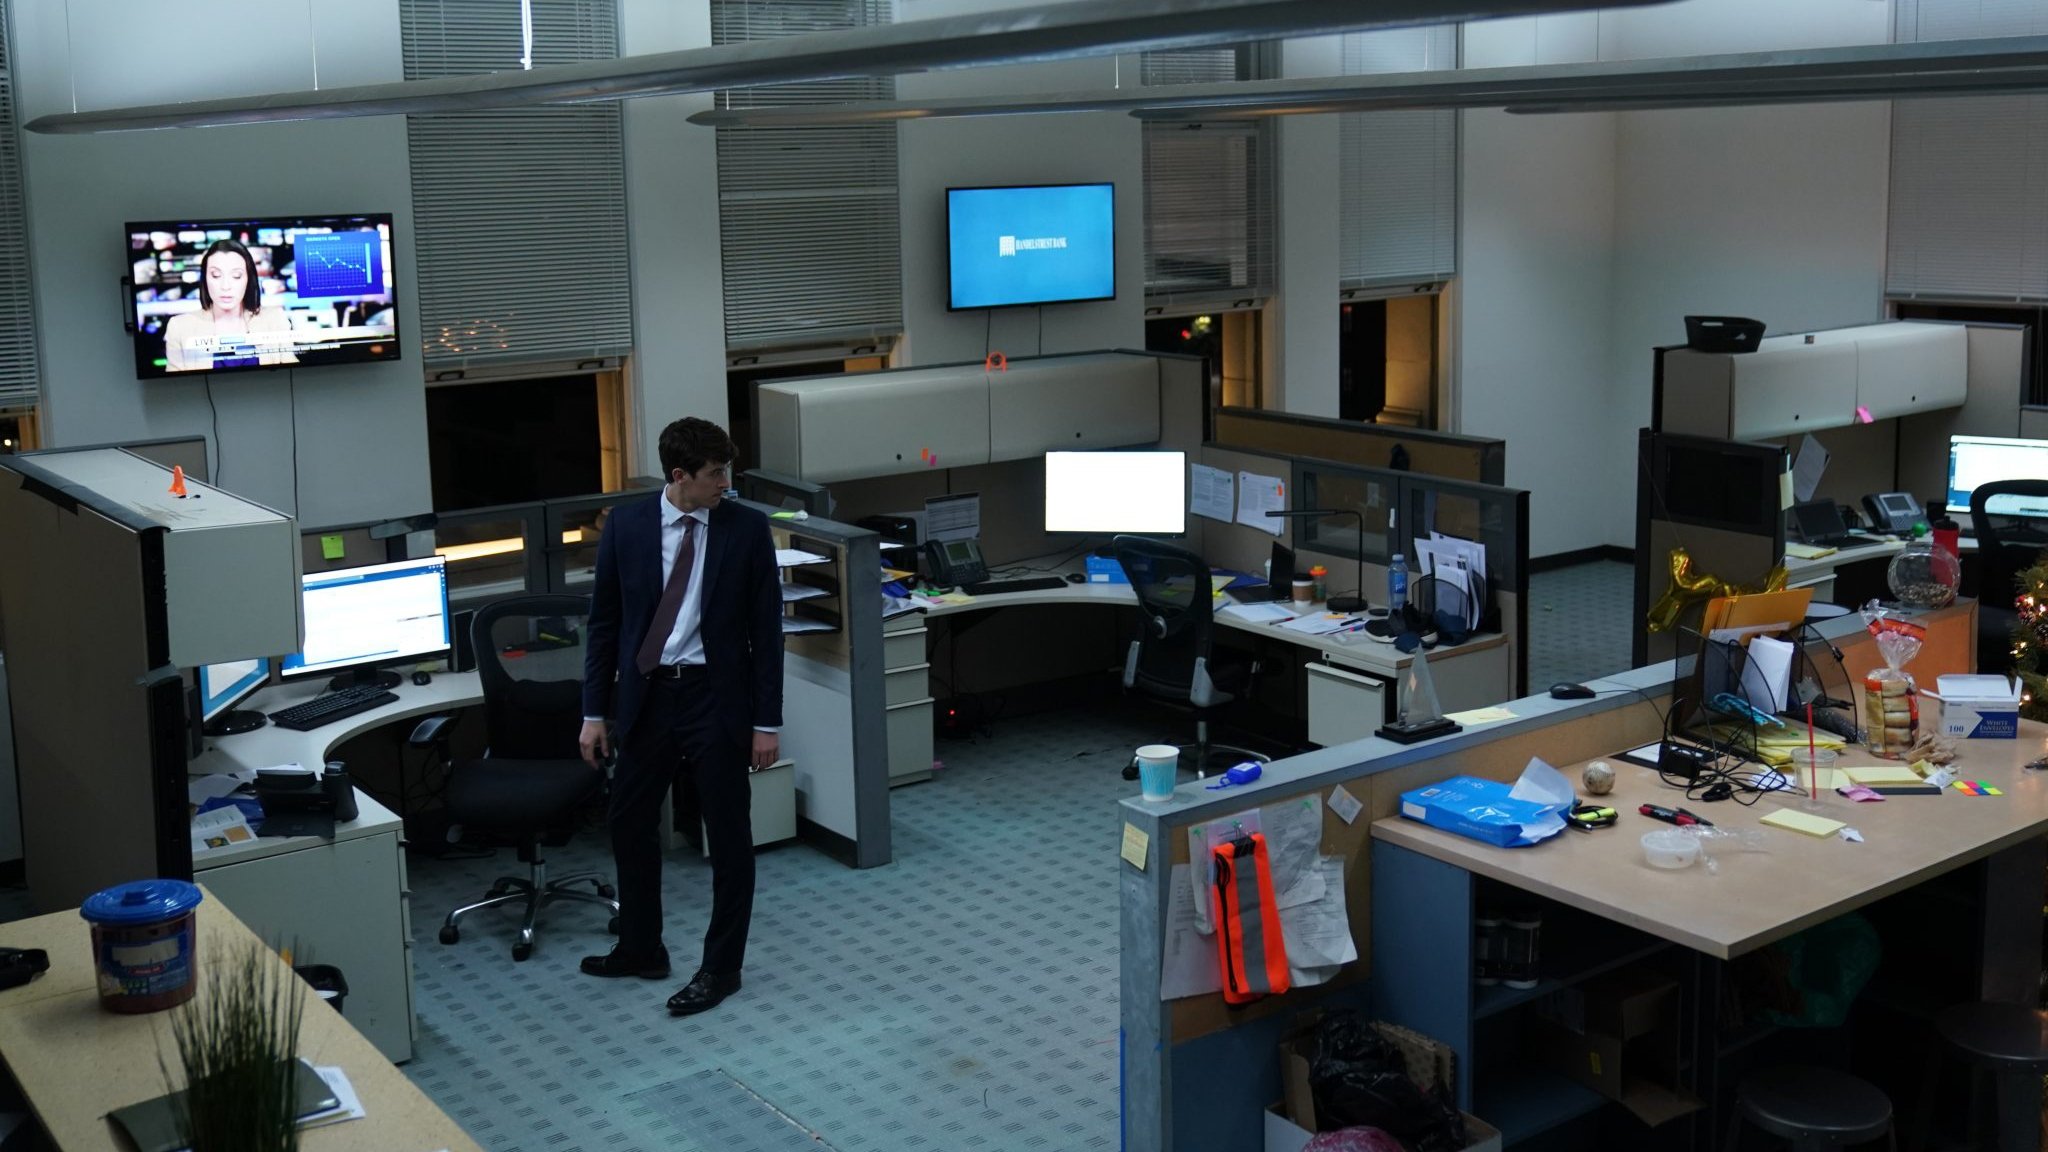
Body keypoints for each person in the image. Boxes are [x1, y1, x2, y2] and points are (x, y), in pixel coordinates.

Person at [579, 417, 784, 1016]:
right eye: (715, 473)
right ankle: (641, 946)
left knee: (729, 836)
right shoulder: (627, 526)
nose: (725, 483)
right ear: (680, 476)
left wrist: (766, 723)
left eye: (726, 472)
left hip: (714, 696)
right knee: (628, 820)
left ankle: (721, 968)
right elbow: (604, 624)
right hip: (648, 695)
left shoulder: (746, 528)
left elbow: (766, 631)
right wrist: (595, 712)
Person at [162, 238, 297, 373]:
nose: (225, 286)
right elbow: (175, 384)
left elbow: (293, 375)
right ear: (205, 279)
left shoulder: (275, 320)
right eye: (216, 275)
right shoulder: (179, 327)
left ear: (248, 279)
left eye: (236, 276)